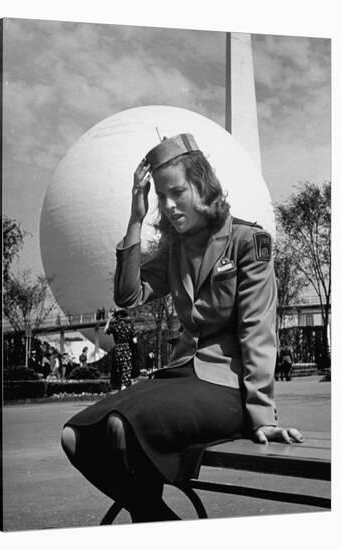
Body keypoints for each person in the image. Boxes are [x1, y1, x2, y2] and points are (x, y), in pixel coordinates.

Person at [61, 133, 304, 523]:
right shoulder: (175, 249)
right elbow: (128, 295)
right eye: (161, 196)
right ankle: (158, 522)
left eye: (177, 192)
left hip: (227, 388)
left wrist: (263, 418)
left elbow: (257, 331)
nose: (169, 206)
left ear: (202, 186)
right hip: (181, 378)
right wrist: (136, 218)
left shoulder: (247, 241)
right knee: (74, 437)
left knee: (120, 426)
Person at [104, 309, 136, 390]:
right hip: (126, 348)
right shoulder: (129, 327)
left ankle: (119, 385)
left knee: (119, 368)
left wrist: (109, 320)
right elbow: (134, 340)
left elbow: (105, 331)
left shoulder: (115, 327)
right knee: (127, 368)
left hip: (118, 349)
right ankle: (124, 385)